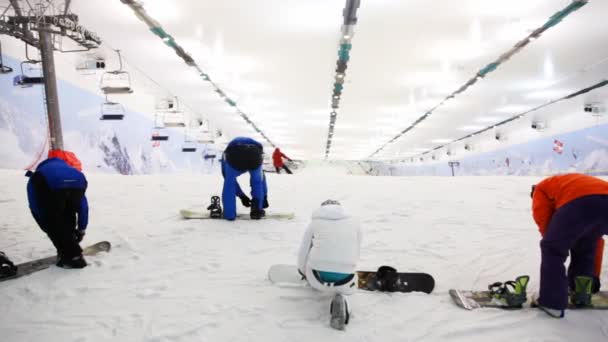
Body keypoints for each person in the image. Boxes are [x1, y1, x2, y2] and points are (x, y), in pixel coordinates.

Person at [531, 173, 608, 318]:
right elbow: (597, 241)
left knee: (552, 248)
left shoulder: (540, 190)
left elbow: (547, 229)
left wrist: (559, 240)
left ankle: (551, 303)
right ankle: (582, 290)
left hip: (580, 201)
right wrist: (593, 278)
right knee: (587, 243)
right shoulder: (567, 182)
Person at [297, 200, 361, 329]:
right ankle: (341, 297)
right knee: (346, 279)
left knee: (313, 254)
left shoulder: (314, 224)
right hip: (346, 279)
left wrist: (302, 271)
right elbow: (356, 250)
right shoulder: (355, 224)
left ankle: (321, 282)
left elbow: (303, 251)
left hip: (317, 278)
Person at [26, 150, 89, 268]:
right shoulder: (73, 172)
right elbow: (82, 207)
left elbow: (35, 206)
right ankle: (69, 249)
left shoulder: (38, 175)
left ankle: (73, 257)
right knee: (69, 216)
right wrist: (81, 229)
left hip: (50, 186)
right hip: (79, 182)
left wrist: (47, 228)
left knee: (53, 222)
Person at [221, 137, 268, 220]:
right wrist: (264, 197)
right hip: (255, 154)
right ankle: (256, 209)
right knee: (257, 182)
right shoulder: (257, 147)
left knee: (229, 183)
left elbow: (229, 180)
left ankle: (229, 214)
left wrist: (241, 196)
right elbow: (261, 180)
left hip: (235, 155)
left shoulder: (226, 155)